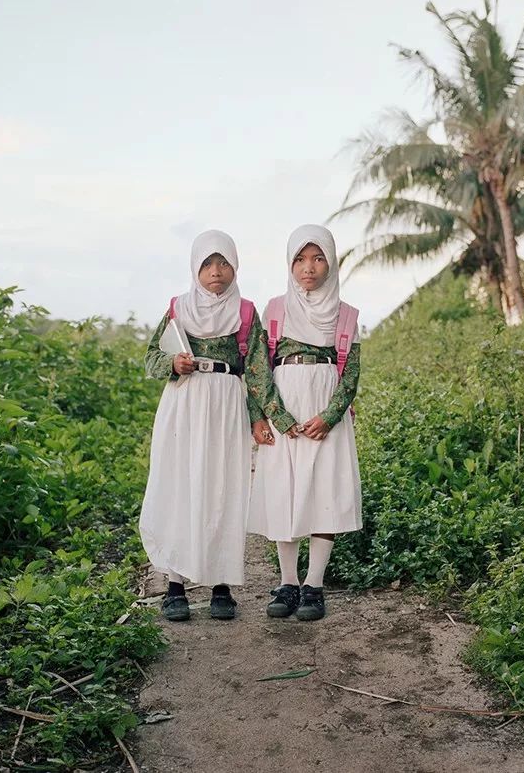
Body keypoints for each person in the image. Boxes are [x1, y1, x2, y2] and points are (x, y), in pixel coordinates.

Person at [140, 229, 276, 622]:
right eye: (207, 264)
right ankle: (175, 587)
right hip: (184, 404)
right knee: (180, 487)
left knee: (223, 488)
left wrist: (258, 418)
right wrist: (172, 364)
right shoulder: (178, 308)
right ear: (195, 269)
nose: (216, 271)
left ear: (235, 267)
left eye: (224, 263)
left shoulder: (247, 312)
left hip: (226, 406)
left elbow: (257, 371)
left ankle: (221, 587)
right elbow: (151, 356)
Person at [247, 224, 363, 621]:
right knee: (285, 490)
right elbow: (258, 369)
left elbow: (351, 376)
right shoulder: (276, 309)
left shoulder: (346, 315)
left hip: (324, 413)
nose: (308, 268)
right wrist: (275, 417)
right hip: (286, 411)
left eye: (317, 258)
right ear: (290, 264)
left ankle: (314, 584)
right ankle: (287, 582)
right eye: (300, 259)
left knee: (323, 491)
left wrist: (328, 418)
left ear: (330, 262)